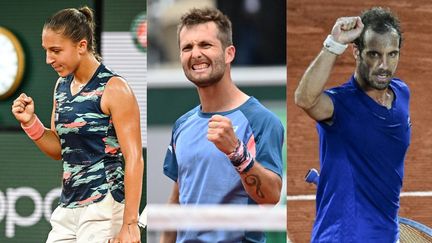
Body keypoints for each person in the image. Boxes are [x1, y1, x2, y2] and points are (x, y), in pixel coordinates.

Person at [11, 6, 144, 243]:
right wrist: (31, 122)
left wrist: (130, 224)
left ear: (81, 46)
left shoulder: (115, 88)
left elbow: (134, 157)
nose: (48, 59)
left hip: (104, 206)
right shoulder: (60, 86)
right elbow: (60, 150)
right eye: (46, 51)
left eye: (55, 51)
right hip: (68, 207)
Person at [160, 7, 284, 243]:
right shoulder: (182, 125)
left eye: (205, 45)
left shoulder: (262, 121)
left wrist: (237, 152)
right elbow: (176, 203)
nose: (195, 54)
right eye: (187, 47)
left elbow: (270, 196)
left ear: (229, 53)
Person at [295, 7, 410, 243]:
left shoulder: (401, 92)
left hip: (386, 235)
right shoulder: (338, 105)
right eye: (374, 54)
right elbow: (304, 99)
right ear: (356, 52)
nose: (384, 66)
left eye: (392, 54)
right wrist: (334, 43)